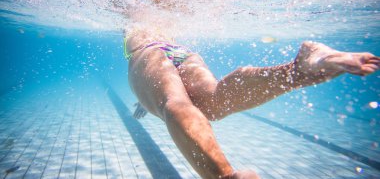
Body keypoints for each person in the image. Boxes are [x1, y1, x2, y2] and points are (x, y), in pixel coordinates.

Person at [124, 28, 379, 179]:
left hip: (149, 51)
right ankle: (298, 70)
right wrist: (143, 101)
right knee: (214, 100)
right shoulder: (164, 23)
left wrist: (145, 99)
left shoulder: (132, 27)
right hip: (182, 51)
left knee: (174, 100)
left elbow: (157, 79)